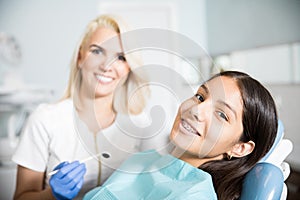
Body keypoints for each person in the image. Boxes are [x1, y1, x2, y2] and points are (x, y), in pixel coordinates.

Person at [12, 14, 151, 200]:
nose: (106, 66)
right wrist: (51, 195)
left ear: (129, 68)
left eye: (120, 57)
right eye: (97, 51)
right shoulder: (44, 120)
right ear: (80, 57)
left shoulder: (140, 125)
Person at [83, 71, 278, 200]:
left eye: (221, 114)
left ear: (239, 147)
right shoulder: (145, 159)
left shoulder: (194, 195)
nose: (196, 110)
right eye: (200, 96)